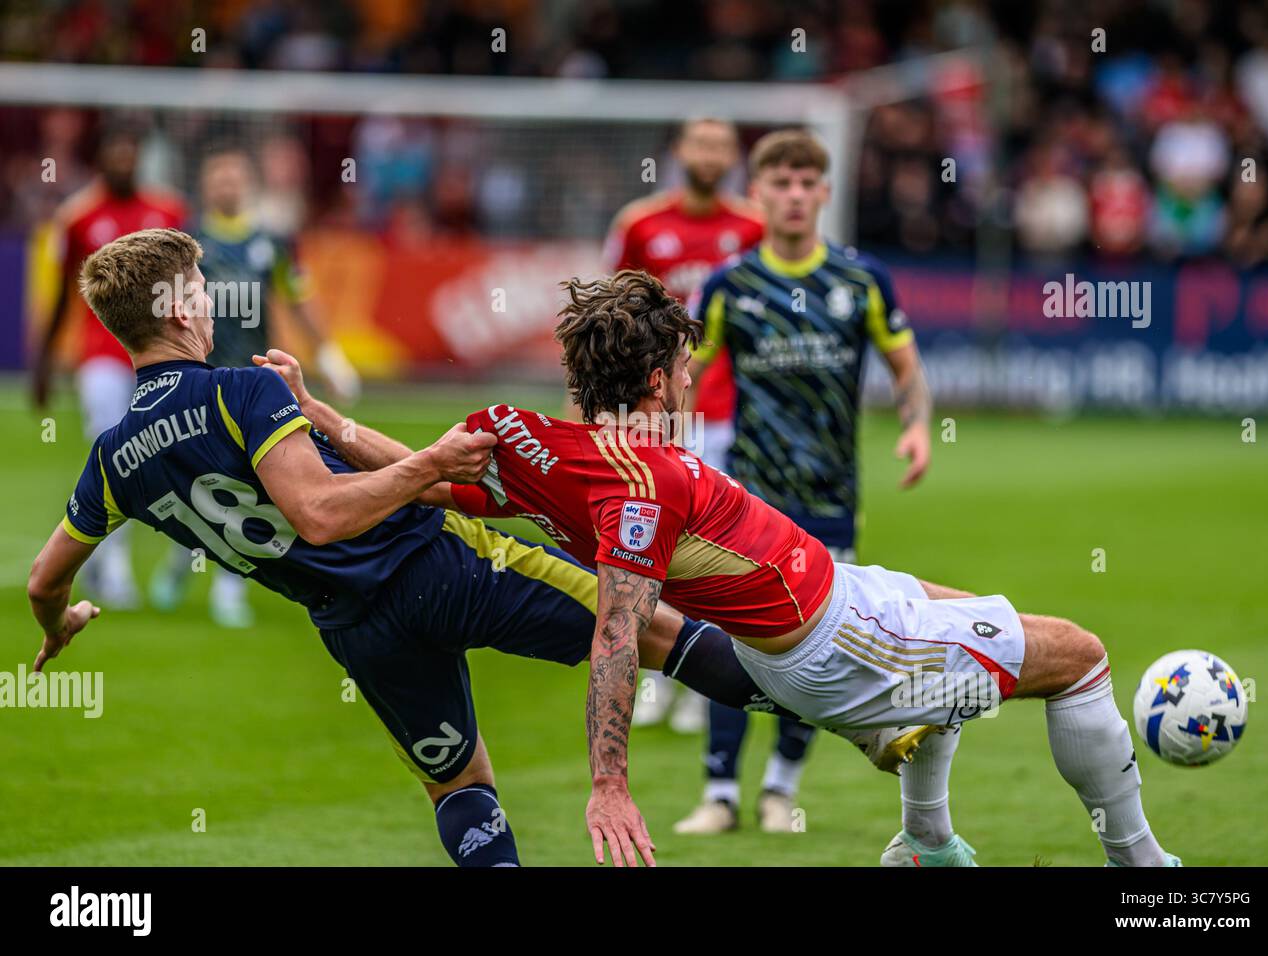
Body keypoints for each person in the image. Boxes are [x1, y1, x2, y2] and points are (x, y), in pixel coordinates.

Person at [26, 228, 804, 868]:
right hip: (442, 563)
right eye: (198, 287)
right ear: (173, 307)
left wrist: (58, 625)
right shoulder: (239, 390)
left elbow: (43, 578)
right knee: (652, 632)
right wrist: (430, 463)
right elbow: (322, 513)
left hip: (356, 628)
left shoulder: (113, 458)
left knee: (459, 787)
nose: (209, 298)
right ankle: (842, 706)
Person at [435, 269, 1178, 870]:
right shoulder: (644, 483)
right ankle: (1145, 870)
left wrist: (325, 427)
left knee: (965, 635)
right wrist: (610, 785)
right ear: (658, 383)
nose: (692, 380)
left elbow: (428, 477)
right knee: (1080, 658)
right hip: (837, 641)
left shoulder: (553, 450)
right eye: (686, 367)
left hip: (839, 600)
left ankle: (925, 845)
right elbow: (617, 635)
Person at [675, 129, 933, 835]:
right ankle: (719, 794)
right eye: (779, 183)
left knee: (820, 651)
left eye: (805, 183)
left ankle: (780, 787)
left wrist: (917, 426)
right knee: (733, 638)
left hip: (831, 501)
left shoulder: (861, 280)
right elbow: (684, 378)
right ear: (757, 194)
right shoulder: (731, 285)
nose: (792, 196)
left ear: (823, 192)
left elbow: (907, 369)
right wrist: (667, 443)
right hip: (749, 500)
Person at [148, 142, 360, 628]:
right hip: (196, 375)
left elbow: (299, 297)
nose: (226, 185)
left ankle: (228, 589)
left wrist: (329, 354)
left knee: (245, 478)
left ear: (248, 185)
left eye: (234, 177)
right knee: (194, 478)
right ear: (206, 185)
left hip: (252, 378)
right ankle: (182, 564)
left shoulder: (273, 241)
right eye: (218, 177)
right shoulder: (186, 240)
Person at [602, 117, 764, 733]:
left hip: (723, 414)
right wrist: (590, 407)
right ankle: (651, 674)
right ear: (678, 152)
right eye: (700, 143)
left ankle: (702, 677)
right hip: (644, 414)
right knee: (643, 543)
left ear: (733, 157)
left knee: (713, 549)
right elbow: (602, 315)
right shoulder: (641, 224)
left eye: (722, 145)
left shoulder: (753, 227)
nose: (710, 154)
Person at [32, 123, 186, 609]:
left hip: (158, 354)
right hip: (99, 354)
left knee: (156, 456)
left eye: (130, 151)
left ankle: (103, 560)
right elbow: (61, 293)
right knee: (113, 447)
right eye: (115, 151)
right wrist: (43, 361)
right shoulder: (78, 217)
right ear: (101, 157)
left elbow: (189, 286)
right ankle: (114, 567)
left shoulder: (167, 211)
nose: (124, 159)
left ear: (139, 157)